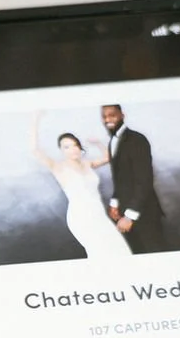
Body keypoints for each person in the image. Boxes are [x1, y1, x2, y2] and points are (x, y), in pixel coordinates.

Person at [27, 113, 131, 259]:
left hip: (99, 215)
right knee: (100, 253)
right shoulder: (58, 167)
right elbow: (34, 150)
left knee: (120, 250)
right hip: (81, 217)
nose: (73, 149)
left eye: (75, 145)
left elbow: (108, 158)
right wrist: (35, 119)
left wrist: (98, 143)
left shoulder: (87, 163)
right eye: (67, 147)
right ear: (62, 150)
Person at [100, 104, 166, 254]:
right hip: (123, 213)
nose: (107, 119)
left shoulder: (137, 140)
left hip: (144, 214)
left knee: (157, 258)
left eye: (112, 115)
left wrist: (130, 217)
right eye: (104, 116)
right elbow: (120, 178)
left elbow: (145, 180)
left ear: (122, 115)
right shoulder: (112, 142)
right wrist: (114, 203)